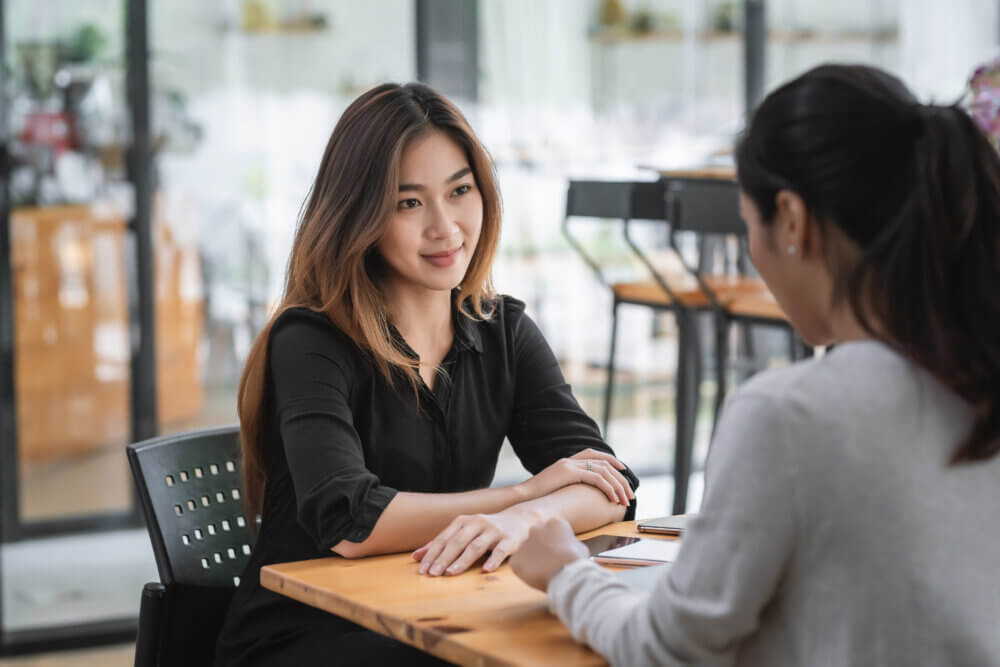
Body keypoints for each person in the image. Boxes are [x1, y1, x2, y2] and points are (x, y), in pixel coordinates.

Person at [511, 63, 1000, 666]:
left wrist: (566, 573)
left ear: (791, 219)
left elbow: (664, 649)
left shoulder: (789, 414)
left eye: (748, 225)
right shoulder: (977, 375)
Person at [213, 82, 639, 666]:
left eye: (459, 191)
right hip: (305, 634)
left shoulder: (503, 331)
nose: (445, 227)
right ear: (360, 216)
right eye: (408, 203)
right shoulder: (312, 339)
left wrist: (527, 519)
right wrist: (523, 494)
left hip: (432, 610)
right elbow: (350, 522)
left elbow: (610, 486)